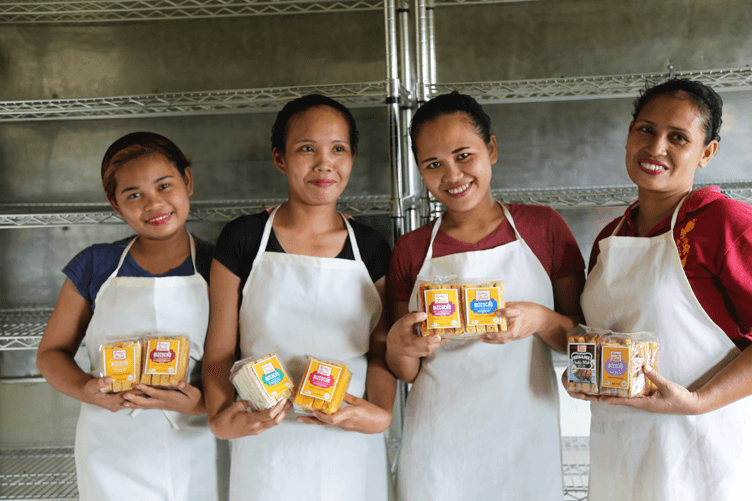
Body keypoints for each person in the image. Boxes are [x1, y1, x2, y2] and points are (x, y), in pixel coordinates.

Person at [387, 91, 586, 501]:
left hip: (525, 438)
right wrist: (401, 344)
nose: (453, 175)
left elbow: (584, 344)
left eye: (464, 155)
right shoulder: (411, 250)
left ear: (491, 149)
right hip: (438, 444)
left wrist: (542, 320)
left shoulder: (544, 227)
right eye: (433, 164)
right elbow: (405, 370)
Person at [203, 94, 395, 501]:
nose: (324, 163)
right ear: (279, 158)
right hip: (264, 444)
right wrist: (220, 418)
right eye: (306, 148)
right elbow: (219, 349)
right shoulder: (243, 239)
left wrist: (379, 413)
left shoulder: (373, 247)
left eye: (338, 149)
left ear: (352, 158)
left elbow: (381, 350)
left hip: (349, 443)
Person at [571, 78, 752, 501]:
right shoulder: (609, 237)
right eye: (646, 130)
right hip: (619, 452)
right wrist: (584, 371)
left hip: (699, 456)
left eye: (679, 138)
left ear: (706, 153)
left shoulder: (726, 224)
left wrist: (697, 400)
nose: (656, 148)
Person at [36, 132, 227, 501]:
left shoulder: (219, 265)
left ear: (187, 181)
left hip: (200, 440)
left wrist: (201, 403)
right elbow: (51, 353)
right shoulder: (96, 265)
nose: (154, 204)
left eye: (164, 185)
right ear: (114, 203)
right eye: (134, 195)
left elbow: (237, 357)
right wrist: (86, 390)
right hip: (112, 448)